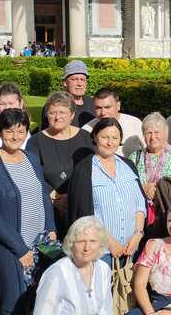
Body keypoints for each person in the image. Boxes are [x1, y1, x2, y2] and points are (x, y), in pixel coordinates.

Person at [0, 108, 57, 315]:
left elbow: (42, 194)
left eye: (20, 131)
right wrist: (20, 249)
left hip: (41, 242)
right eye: (9, 131)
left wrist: (51, 227)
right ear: (1, 132)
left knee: (41, 298)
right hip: (12, 248)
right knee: (13, 304)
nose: (15, 137)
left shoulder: (31, 158)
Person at [67, 118, 147, 265]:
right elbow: (83, 214)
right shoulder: (84, 170)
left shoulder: (128, 166)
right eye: (105, 137)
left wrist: (138, 235)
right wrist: (109, 242)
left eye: (115, 138)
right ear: (95, 137)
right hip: (100, 253)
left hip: (131, 249)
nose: (110, 143)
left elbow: (140, 204)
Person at [27, 91, 94, 228]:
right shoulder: (35, 141)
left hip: (80, 205)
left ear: (72, 115)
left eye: (62, 112)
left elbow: (91, 169)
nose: (57, 117)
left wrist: (71, 196)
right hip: (48, 206)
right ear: (47, 114)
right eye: (52, 112)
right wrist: (55, 196)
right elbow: (32, 174)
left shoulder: (85, 137)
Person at [33, 216, 113, 315]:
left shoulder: (103, 269)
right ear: (71, 243)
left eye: (93, 241)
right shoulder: (56, 273)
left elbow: (106, 310)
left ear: (100, 244)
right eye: (81, 241)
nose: (87, 248)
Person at [129, 111, 171, 184]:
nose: (153, 137)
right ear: (143, 135)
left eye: (156, 132)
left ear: (165, 133)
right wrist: (144, 188)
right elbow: (128, 184)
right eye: (149, 133)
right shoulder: (135, 158)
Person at [82, 88, 145, 157]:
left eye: (107, 107)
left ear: (118, 105)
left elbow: (148, 150)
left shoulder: (135, 123)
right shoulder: (87, 130)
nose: (103, 113)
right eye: (98, 108)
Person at [40, 60, 96, 130]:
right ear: (65, 83)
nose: (79, 84)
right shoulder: (55, 105)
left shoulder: (93, 103)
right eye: (74, 79)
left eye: (82, 79)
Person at [0, 82, 32, 149]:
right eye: (2, 104)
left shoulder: (31, 128)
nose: (7, 108)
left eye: (11, 103)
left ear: (21, 104)